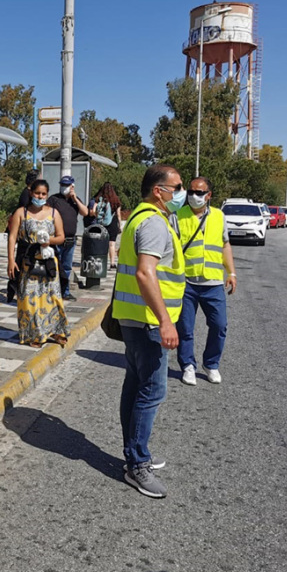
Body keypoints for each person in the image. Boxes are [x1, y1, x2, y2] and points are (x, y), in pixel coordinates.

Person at [113, 164, 187, 499]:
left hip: (134, 318)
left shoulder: (139, 217)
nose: (181, 193)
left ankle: (134, 451)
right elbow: (145, 273)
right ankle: (137, 463)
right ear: (159, 191)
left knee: (135, 384)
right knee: (152, 390)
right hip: (147, 321)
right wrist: (165, 321)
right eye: (177, 187)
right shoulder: (154, 222)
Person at [172, 177, 237, 386]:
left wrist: (231, 273)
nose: (194, 196)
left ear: (208, 195)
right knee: (185, 328)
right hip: (186, 282)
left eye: (199, 193)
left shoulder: (219, 216)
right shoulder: (177, 216)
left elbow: (225, 245)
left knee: (219, 325)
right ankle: (187, 366)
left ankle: (211, 364)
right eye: (191, 192)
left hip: (213, 283)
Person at [7, 179, 70, 348]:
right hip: (28, 262)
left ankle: (56, 331)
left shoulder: (54, 213)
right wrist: (11, 260)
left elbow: (61, 236)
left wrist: (49, 241)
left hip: (48, 263)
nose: (40, 197)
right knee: (29, 299)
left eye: (43, 194)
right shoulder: (21, 212)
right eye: (37, 193)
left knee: (53, 297)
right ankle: (34, 334)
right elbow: (12, 237)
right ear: (31, 193)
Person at [47, 175, 89, 301]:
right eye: (62, 185)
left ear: (72, 186)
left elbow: (85, 212)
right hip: (56, 239)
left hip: (70, 240)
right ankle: (52, 292)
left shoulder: (75, 201)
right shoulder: (54, 199)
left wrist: (75, 198)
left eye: (67, 185)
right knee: (54, 266)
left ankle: (65, 292)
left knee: (66, 267)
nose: (64, 187)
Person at [6, 169, 42, 303]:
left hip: (27, 235)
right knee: (21, 264)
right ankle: (14, 288)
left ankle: (15, 287)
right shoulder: (26, 195)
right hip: (24, 236)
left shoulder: (29, 193)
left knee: (22, 264)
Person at [91, 182, 123, 269]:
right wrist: (120, 225)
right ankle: (112, 263)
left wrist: (98, 217)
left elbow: (93, 211)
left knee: (101, 243)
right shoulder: (115, 200)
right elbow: (118, 215)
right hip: (112, 223)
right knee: (112, 244)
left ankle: (100, 262)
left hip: (101, 224)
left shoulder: (99, 199)